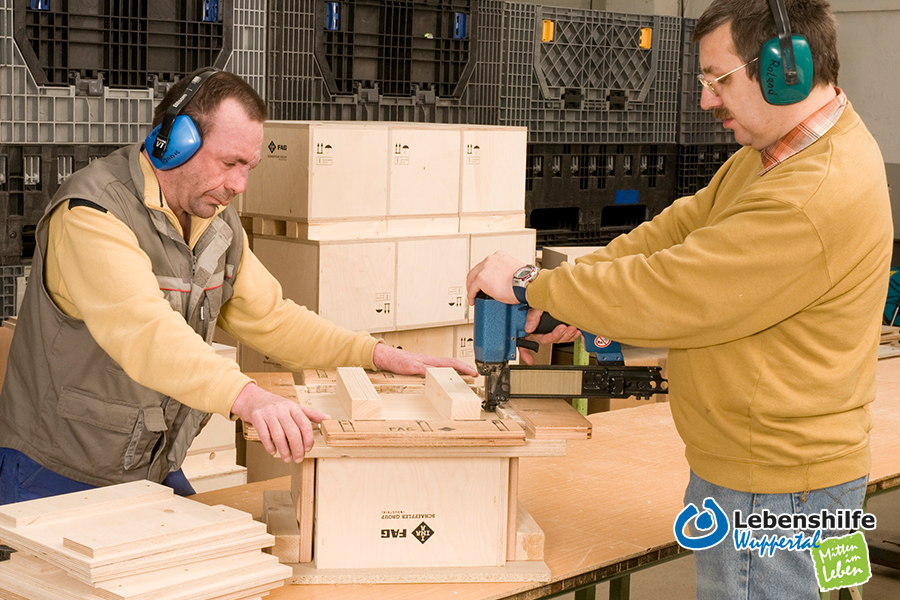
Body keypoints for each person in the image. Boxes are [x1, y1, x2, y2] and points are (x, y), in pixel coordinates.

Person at [466, 0, 891, 598]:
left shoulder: (810, 194)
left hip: (772, 484)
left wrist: (528, 283)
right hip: (795, 471)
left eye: (717, 80)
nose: (705, 100)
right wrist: (569, 299)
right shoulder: (780, 155)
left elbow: (672, 290)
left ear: (784, 69)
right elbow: (680, 228)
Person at [0, 69, 475, 504]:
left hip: (146, 464)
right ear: (174, 142)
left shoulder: (215, 222)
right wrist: (248, 397)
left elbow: (272, 317)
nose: (240, 184)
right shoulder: (91, 215)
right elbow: (144, 332)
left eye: (249, 166)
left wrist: (378, 355)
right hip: (54, 469)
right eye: (230, 163)